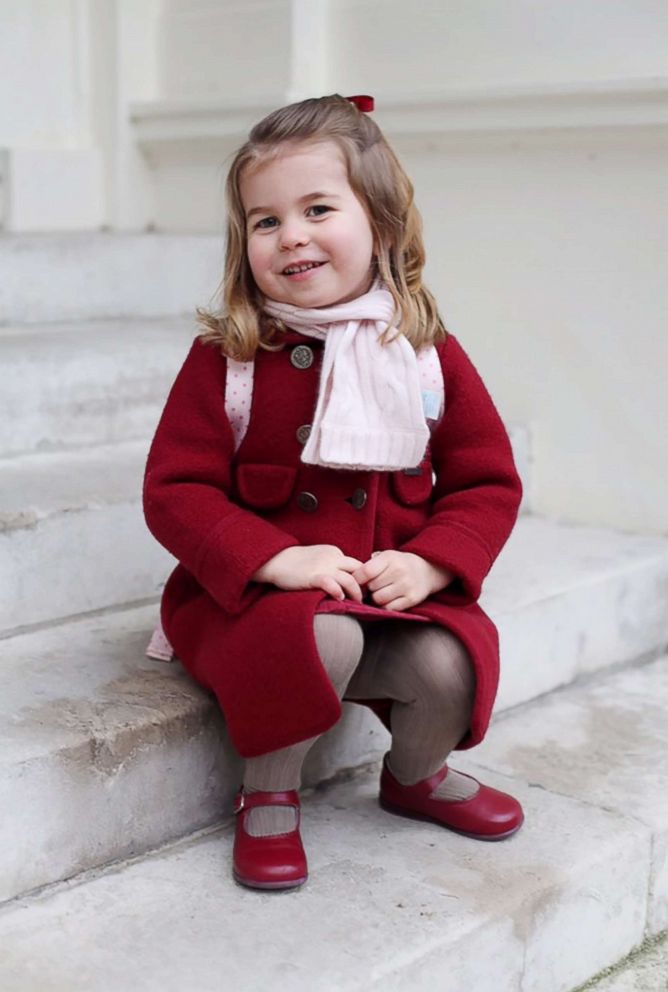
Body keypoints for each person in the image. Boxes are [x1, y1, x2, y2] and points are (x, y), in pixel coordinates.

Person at [143, 93, 524, 892]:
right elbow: (176, 491)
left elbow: (487, 481)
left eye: (318, 207)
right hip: (262, 605)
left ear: (379, 223)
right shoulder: (232, 360)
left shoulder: (422, 352)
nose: (292, 236)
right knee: (324, 640)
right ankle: (269, 790)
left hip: (388, 596)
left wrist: (430, 566)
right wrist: (274, 558)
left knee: (450, 660)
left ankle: (414, 776)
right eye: (265, 220)